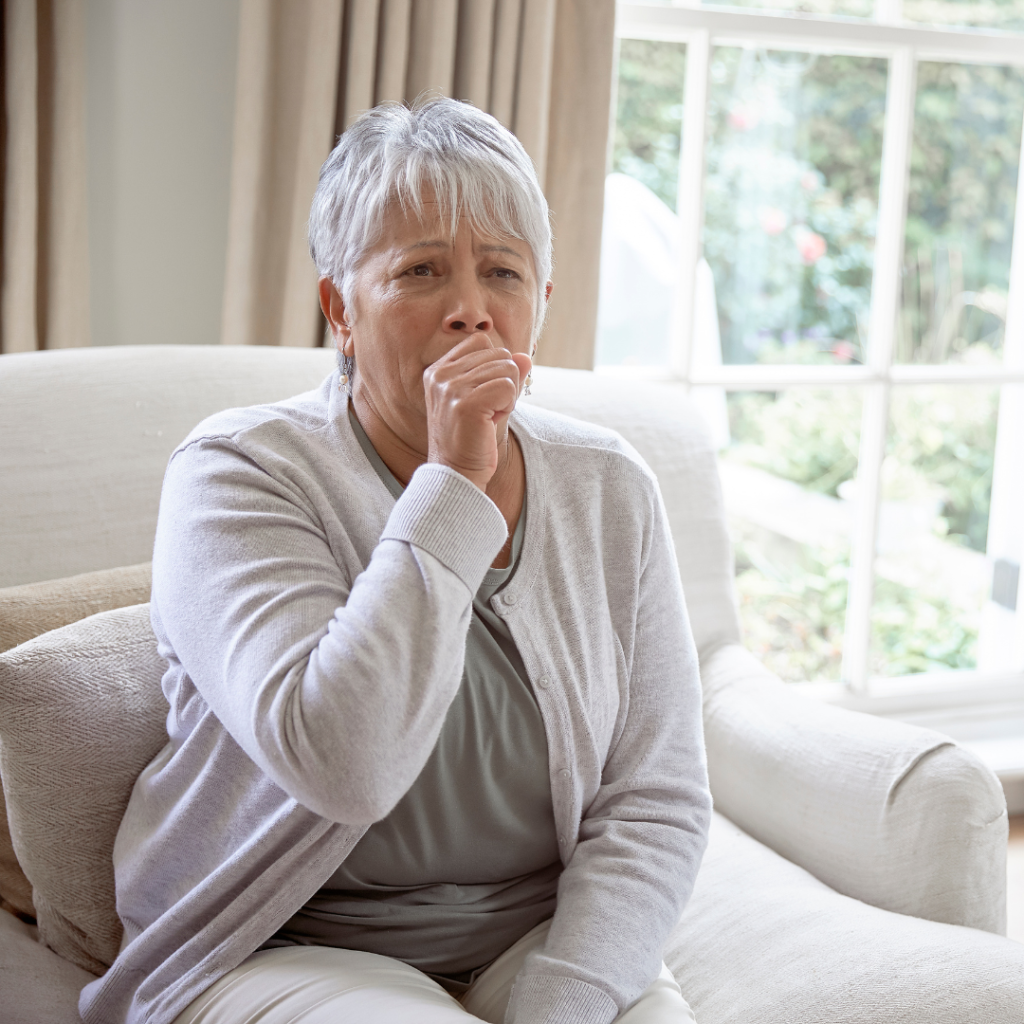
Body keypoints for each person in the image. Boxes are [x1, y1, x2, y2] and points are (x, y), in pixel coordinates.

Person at [79, 96, 711, 1024]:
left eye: (503, 272)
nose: (470, 312)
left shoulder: (608, 485)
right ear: (340, 306)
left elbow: (657, 800)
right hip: (280, 941)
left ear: (541, 304)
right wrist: (455, 478)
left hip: (535, 934)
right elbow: (344, 765)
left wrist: (563, 999)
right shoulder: (238, 472)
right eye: (421, 271)